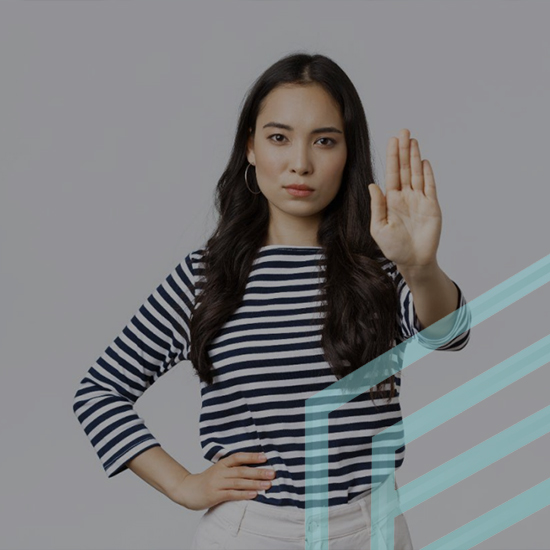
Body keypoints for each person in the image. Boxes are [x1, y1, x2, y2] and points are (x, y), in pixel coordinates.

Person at [73, 52, 472, 549]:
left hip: (374, 527)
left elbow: (451, 334)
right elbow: (100, 391)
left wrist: (420, 268)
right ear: (251, 148)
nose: (300, 163)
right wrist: (182, 485)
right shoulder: (206, 277)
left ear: (348, 152)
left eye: (324, 140)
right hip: (255, 533)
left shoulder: (379, 266)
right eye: (278, 138)